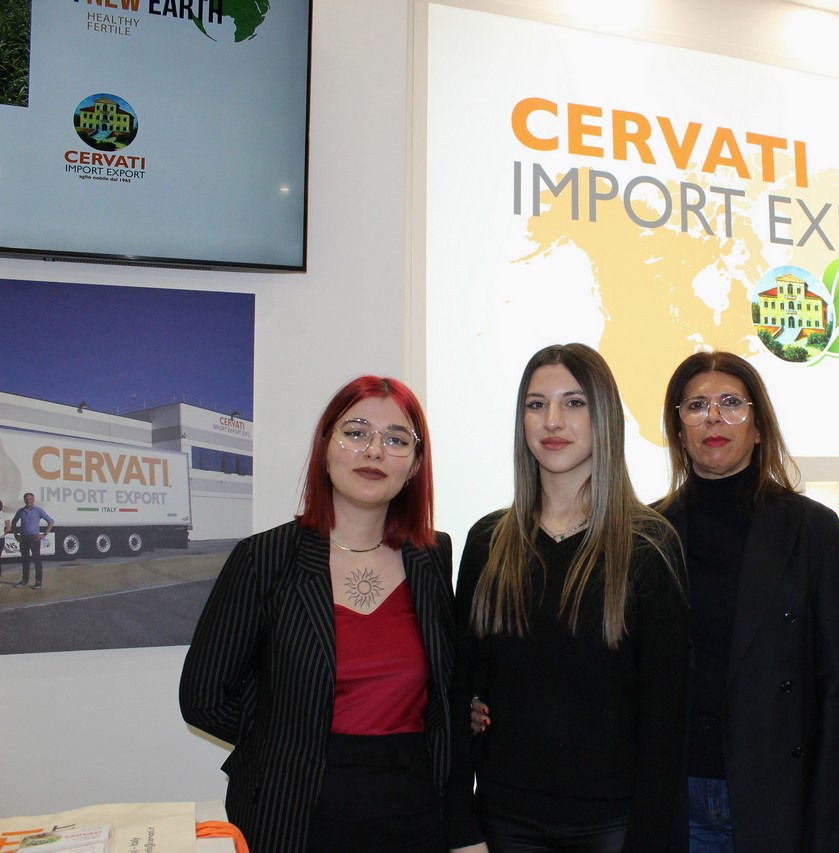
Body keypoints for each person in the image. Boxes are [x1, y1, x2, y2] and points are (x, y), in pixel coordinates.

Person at [180, 377, 455, 853]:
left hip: (414, 811)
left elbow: (445, 691)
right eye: (356, 432)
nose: (374, 451)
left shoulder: (432, 557)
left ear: (414, 464)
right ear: (325, 448)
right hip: (292, 814)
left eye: (396, 439)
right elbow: (203, 698)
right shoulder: (264, 558)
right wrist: (290, 744)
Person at [445, 343, 688, 853]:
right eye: (536, 404)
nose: (552, 420)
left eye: (574, 402)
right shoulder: (488, 541)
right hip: (501, 820)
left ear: (605, 417)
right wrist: (461, 830)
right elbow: (458, 691)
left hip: (611, 826)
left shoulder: (648, 545)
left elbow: (664, 718)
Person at [656, 350, 839, 853]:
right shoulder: (648, 532)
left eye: (732, 403)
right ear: (678, 429)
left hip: (778, 797)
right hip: (673, 799)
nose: (714, 418)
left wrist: (832, 829)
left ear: (759, 426)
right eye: (696, 406)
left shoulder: (811, 529)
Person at [12, 492, 54, 589]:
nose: (28, 501)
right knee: (25, 560)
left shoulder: (38, 511)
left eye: (30, 499)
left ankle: (38, 582)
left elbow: (50, 521)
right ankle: (24, 581)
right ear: (24, 500)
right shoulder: (21, 511)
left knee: (37, 560)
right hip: (23, 538)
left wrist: (44, 534)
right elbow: (14, 522)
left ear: (33, 500)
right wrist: (15, 534)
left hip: (34, 538)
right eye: (26, 499)